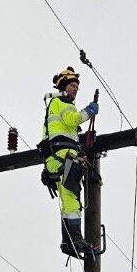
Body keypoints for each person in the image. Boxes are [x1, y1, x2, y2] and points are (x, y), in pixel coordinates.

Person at [42, 67, 100, 259]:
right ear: (65, 86)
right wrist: (88, 112)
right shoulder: (62, 102)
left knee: (70, 199)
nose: (75, 89)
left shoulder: (54, 105)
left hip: (57, 158)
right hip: (62, 156)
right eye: (73, 86)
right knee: (72, 199)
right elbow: (72, 119)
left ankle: (70, 240)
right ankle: (73, 239)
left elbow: (62, 132)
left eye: (77, 86)